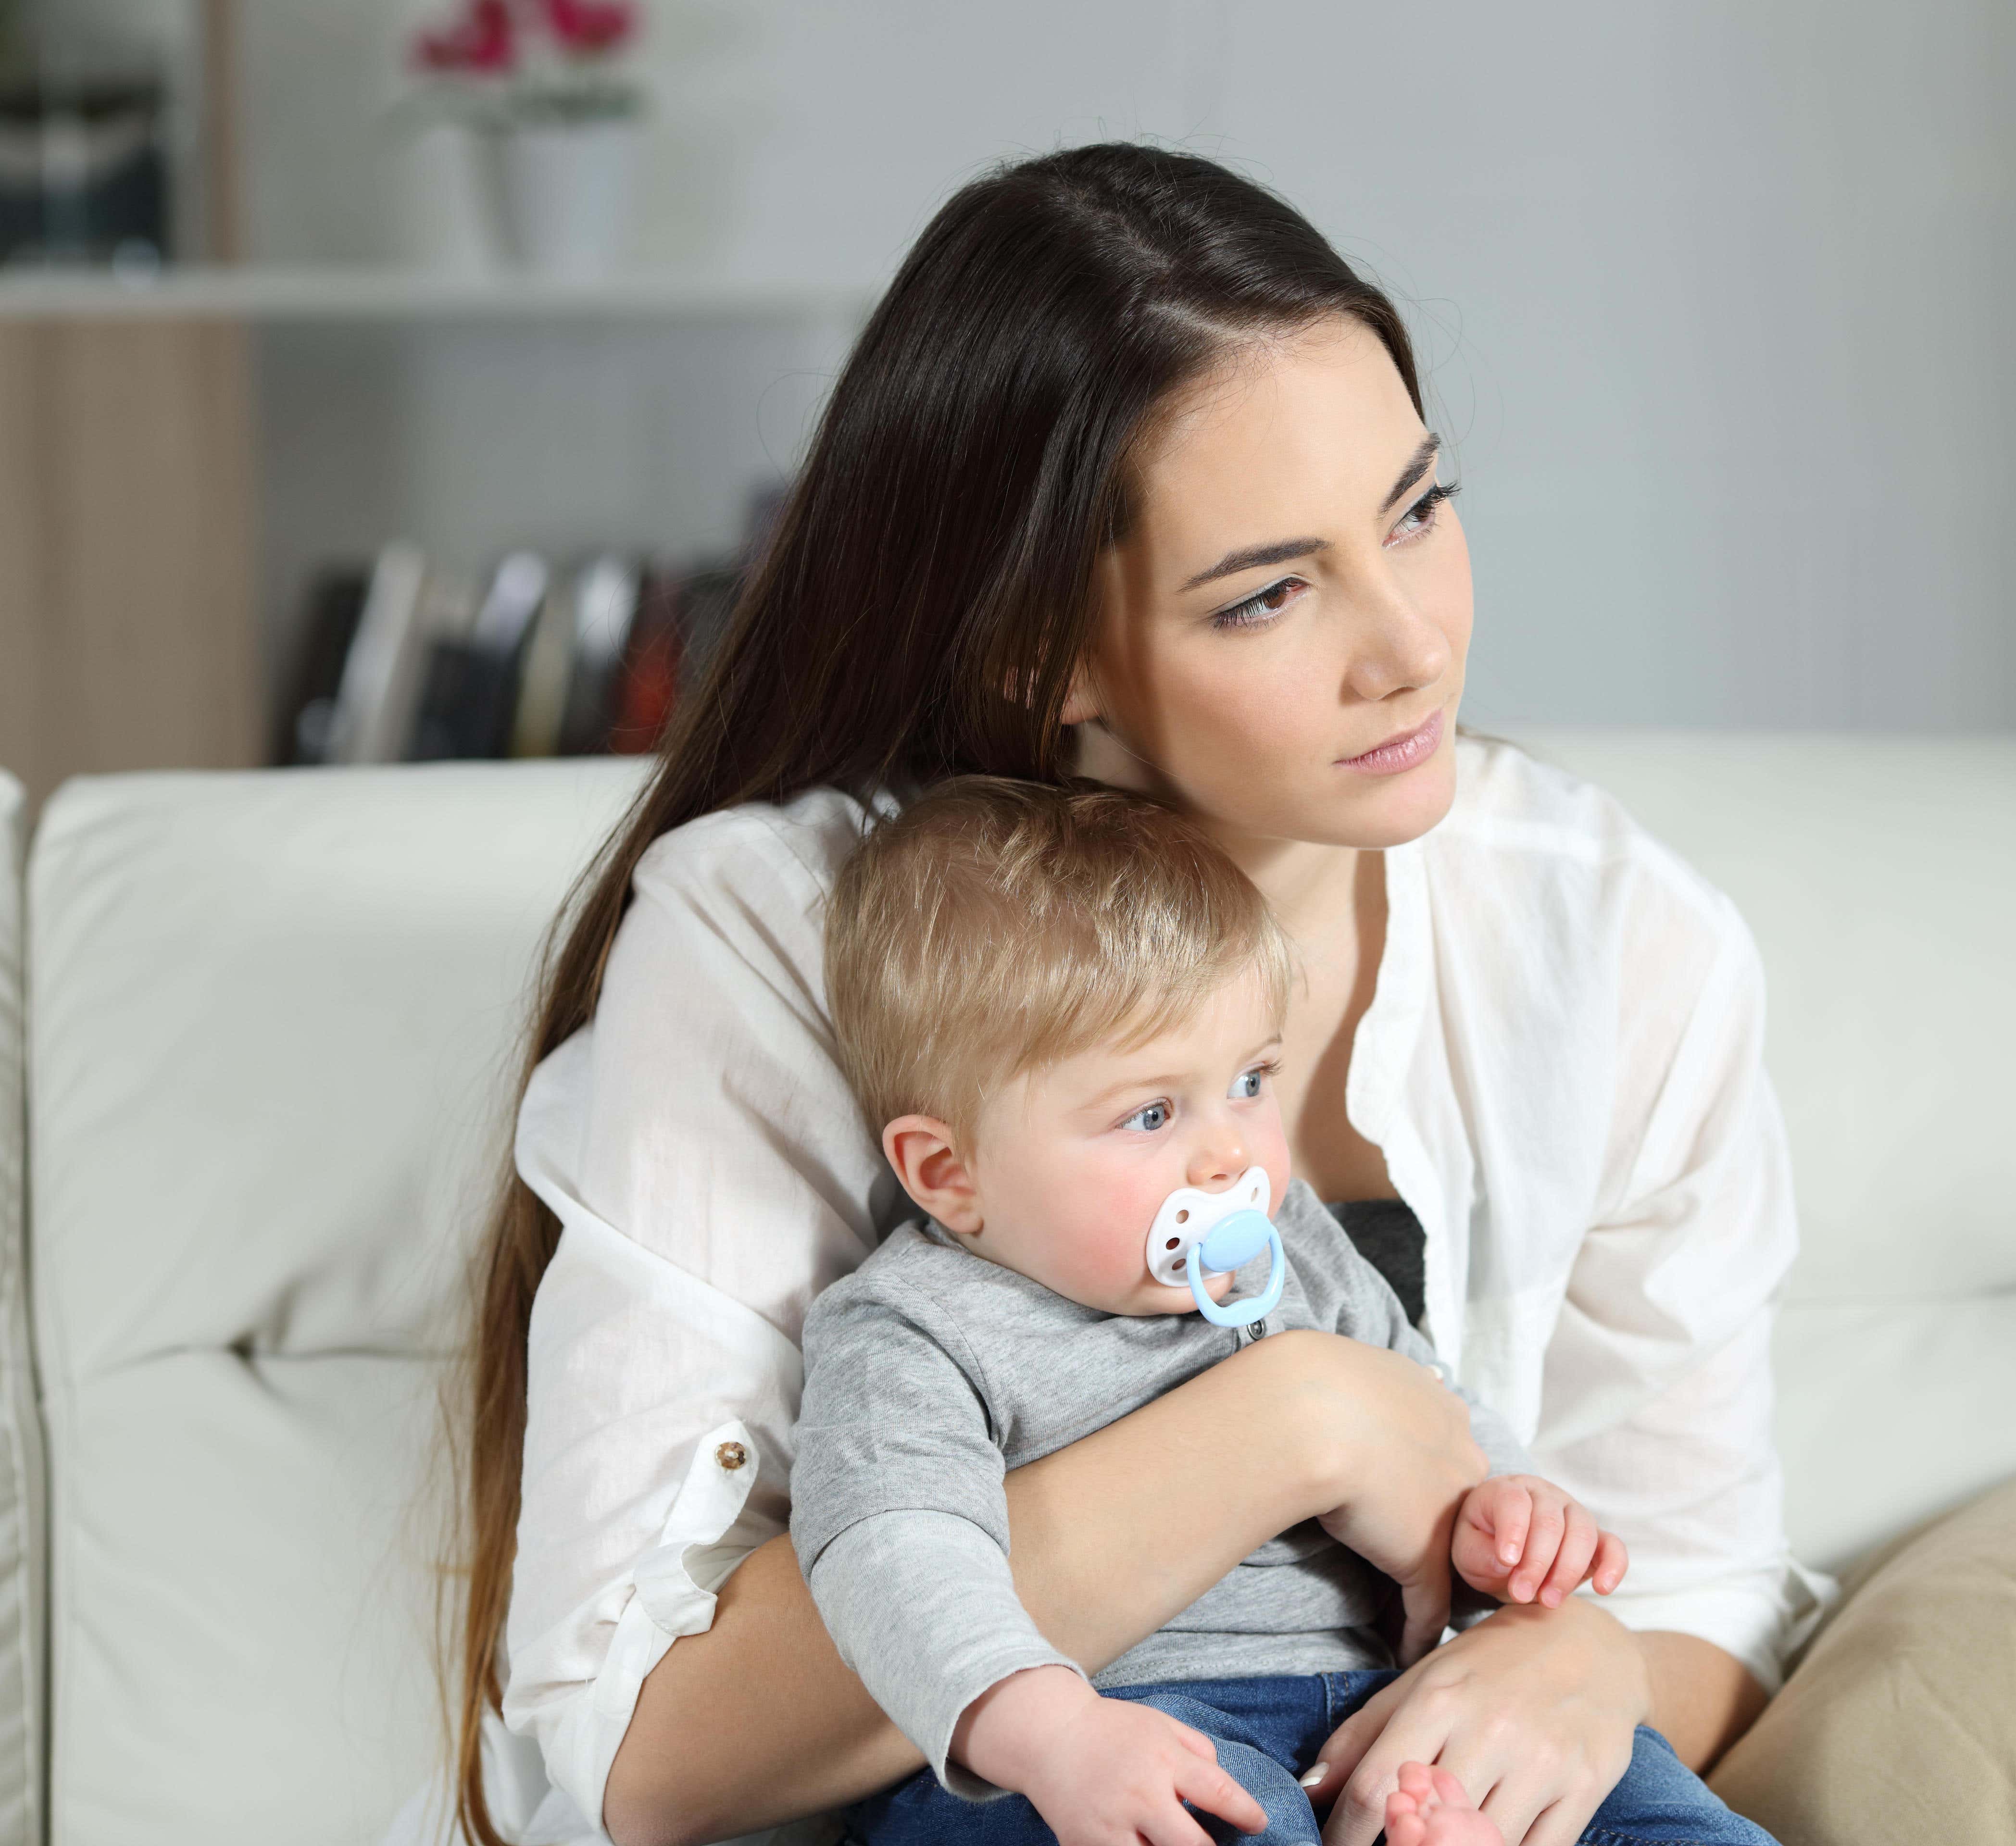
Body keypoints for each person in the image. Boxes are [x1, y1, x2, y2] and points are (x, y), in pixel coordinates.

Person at [455, 141, 1827, 1846]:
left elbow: (1702, 1584)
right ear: (1046, 657)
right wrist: (1303, 1420)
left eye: (1415, 509)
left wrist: (1578, 1667)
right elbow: (641, 1757)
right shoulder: (786, 938)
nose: (1409, 644)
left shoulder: (1616, 939)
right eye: (1269, 591)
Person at [800, 777, 1773, 1846]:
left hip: (1381, 1709)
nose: (1231, 1154)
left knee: (1654, 1808)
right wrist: (1045, 1731)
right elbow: (892, 1553)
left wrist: (1506, 1518)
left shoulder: (1294, 1245)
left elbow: (1431, 1413)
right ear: (949, 1172)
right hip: (1112, 1721)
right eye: (1154, 1112)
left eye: (1253, 1080)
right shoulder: (913, 1327)